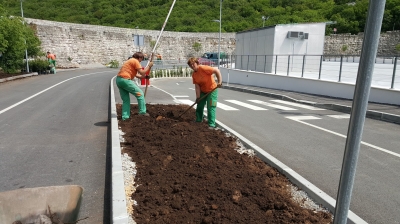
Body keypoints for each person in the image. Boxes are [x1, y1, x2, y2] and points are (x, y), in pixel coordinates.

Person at [116, 52, 153, 120]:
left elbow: (137, 75)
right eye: (141, 59)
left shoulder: (129, 62)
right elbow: (142, 72)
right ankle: (142, 112)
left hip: (119, 80)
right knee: (140, 94)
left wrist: (145, 77)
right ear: (139, 58)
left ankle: (125, 117)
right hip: (125, 80)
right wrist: (149, 66)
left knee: (126, 100)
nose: (141, 61)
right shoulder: (135, 61)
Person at [187, 57, 222, 128]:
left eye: (193, 64)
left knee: (211, 107)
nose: (192, 66)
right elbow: (197, 87)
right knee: (199, 105)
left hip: (212, 90)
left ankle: (211, 124)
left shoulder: (203, 68)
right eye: (190, 65)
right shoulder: (194, 75)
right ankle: (198, 120)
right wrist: (198, 97)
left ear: (197, 63)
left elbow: (217, 70)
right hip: (203, 91)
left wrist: (220, 82)